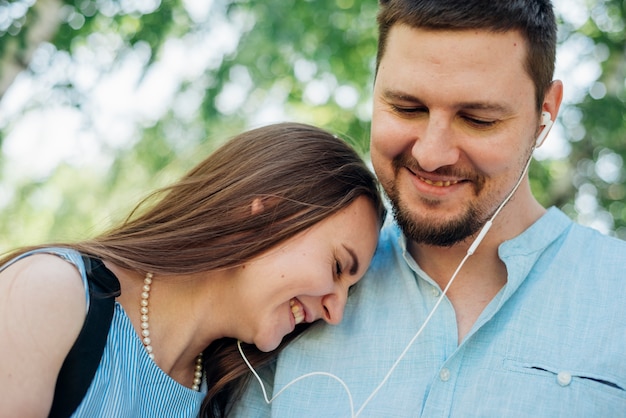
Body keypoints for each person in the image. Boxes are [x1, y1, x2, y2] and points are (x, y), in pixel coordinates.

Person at [232, 1, 626, 416]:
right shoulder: (293, 289)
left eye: (477, 119)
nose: (432, 154)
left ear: (546, 113)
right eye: (406, 108)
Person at [0, 122, 386, 418]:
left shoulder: (224, 400)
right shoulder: (52, 294)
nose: (336, 312)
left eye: (349, 290)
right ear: (268, 214)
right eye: (337, 266)